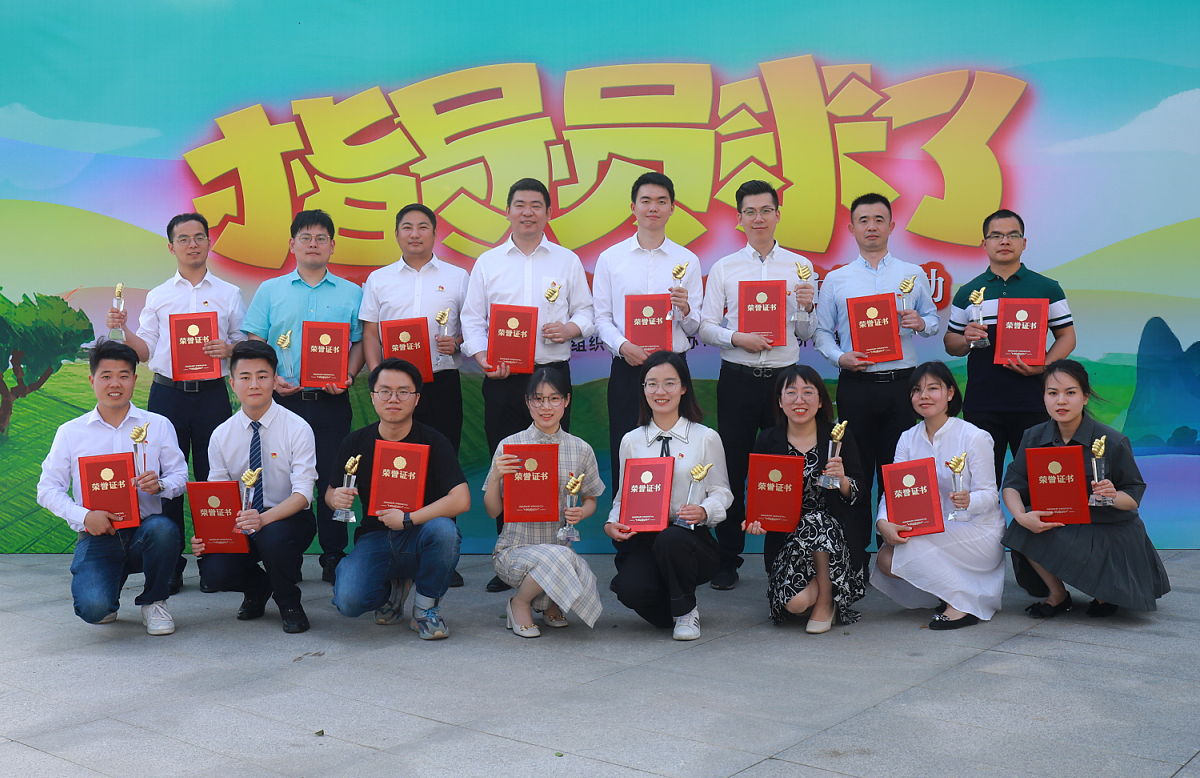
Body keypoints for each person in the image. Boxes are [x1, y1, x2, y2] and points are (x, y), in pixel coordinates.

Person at [460, 178, 595, 592]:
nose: (528, 212)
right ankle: (510, 557)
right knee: (508, 467)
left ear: (548, 213)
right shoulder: (488, 262)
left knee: (554, 467)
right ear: (507, 211)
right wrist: (482, 358)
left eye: (536, 205)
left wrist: (569, 328)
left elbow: (587, 313)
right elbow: (472, 319)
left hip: (551, 375)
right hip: (503, 379)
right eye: (520, 204)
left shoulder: (566, 261)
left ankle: (555, 553)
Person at [105, 212, 247, 594]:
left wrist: (229, 349)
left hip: (212, 394)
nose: (192, 244)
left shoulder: (229, 293)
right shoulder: (159, 296)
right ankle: (171, 564)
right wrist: (123, 327)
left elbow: (243, 344)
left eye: (199, 237)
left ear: (209, 242)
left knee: (214, 477)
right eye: (183, 239)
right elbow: (144, 350)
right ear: (171, 247)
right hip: (168, 395)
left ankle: (215, 560)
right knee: (167, 478)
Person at [698, 180, 817, 590]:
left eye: (766, 210)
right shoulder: (725, 268)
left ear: (778, 214)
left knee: (785, 469)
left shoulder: (800, 267)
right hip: (738, 378)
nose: (758, 218)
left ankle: (783, 556)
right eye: (750, 211)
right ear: (739, 218)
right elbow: (706, 326)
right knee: (731, 467)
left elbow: (807, 332)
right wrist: (737, 338)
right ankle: (728, 558)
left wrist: (806, 307)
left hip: (785, 383)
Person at [814, 192, 939, 563]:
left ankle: (897, 557)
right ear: (851, 228)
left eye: (879, 219)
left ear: (891, 226)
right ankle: (855, 557)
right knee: (856, 473)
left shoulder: (912, 273)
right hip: (857, 386)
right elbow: (821, 333)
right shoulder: (837, 279)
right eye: (864, 220)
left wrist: (921, 323)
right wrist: (840, 357)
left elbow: (933, 320)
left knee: (899, 472)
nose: (871, 226)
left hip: (903, 386)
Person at [243, 209, 364, 585]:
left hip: (330, 402)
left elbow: (359, 342)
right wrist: (271, 378)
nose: (313, 244)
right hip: (282, 403)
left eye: (321, 238)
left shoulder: (352, 292)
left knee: (333, 477)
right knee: (281, 479)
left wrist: (348, 375)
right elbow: (255, 341)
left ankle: (333, 555)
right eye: (306, 237)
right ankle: (284, 553)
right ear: (292, 244)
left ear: (332, 245)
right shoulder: (270, 290)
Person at [36, 340, 188, 635]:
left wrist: (160, 485)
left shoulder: (157, 425)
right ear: (92, 380)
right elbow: (47, 489)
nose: (115, 384)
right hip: (98, 534)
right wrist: (84, 516)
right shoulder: (71, 432)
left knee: (164, 529)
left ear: (135, 379)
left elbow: (180, 476)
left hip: (146, 531)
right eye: (106, 376)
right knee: (94, 609)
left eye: (123, 375)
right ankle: (109, 588)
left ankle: (154, 600)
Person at [1001, 359, 1169, 618]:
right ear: (1044, 397)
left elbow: (1133, 496)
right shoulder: (1033, 437)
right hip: (1065, 523)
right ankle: (1058, 595)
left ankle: (1104, 592)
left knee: (1106, 598)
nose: (1061, 401)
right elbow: (1013, 484)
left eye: (1070, 393)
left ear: (1085, 396)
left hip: (1108, 527)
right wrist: (1022, 517)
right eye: (1052, 393)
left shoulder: (1112, 441)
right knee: (1021, 526)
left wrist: (1112, 495)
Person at [359, 203, 470, 587]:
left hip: (442, 383)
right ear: (397, 234)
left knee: (442, 466)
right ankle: (393, 551)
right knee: (394, 465)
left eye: (423, 227)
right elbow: (370, 333)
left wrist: (457, 342)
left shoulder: (457, 277)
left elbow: (474, 328)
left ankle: (443, 555)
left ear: (435, 233)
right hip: (395, 391)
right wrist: (379, 379)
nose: (415, 234)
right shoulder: (379, 279)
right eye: (407, 227)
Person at [327, 358, 468, 639]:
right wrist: (336, 498)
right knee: (349, 603)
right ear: (373, 397)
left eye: (403, 392)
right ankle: (393, 590)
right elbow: (331, 492)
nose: (394, 399)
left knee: (445, 531)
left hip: (419, 535)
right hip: (375, 537)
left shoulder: (434, 441)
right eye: (385, 391)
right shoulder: (355, 442)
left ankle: (426, 609)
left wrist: (408, 518)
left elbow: (461, 499)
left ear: (416, 399)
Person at [191, 341, 319, 633]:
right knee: (212, 571)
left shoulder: (297, 428)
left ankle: (289, 603)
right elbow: (218, 496)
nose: (254, 384)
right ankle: (258, 588)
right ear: (232, 383)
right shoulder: (221, 435)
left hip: (288, 517)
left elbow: (303, 494)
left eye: (262, 376)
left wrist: (262, 519)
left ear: (275, 380)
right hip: (240, 520)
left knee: (273, 537)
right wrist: (208, 536)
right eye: (245, 377)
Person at [607, 351, 733, 640]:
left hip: (690, 538)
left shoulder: (705, 437)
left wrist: (705, 511)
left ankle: (687, 611)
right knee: (630, 590)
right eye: (651, 384)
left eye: (669, 383)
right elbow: (624, 497)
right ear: (643, 389)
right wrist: (612, 522)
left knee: (672, 538)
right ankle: (672, 606)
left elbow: (722, 492)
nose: (660, 391)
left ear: (684, 387)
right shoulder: (631, 441)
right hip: (646, 537)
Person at [945, 209, 1076, 484]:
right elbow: (951, 344)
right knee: (982, 484)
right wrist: (966, 338)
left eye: (1012, 235)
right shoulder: (968, 292)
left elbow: (1067, 337)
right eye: (996, 236)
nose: (1004, 241)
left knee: (1038, 482)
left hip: (1033, 401)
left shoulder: (1047, 288)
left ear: (1023, 243)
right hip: (982, 403)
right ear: (984, 243)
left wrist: (1043, 367)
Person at [871, 362, 1006, 630]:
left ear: (950, 393)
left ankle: (962, 604)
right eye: (916, 390)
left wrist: (969, 500)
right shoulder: (907, 438)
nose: (924, 396)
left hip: (976, 529)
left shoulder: (974, 437)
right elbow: (894, 491)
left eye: (933, 388)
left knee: (910, 544)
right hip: (932, 527)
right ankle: (948, 593)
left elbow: (991, 495)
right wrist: (882, 522)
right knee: (885, 558)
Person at [593, 172, 703, 490]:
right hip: (627, 367)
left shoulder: (687, 260)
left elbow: (695, 325)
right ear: (633, 207)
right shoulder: (610, 259)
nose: (653, 208)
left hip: (674, 369)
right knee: (626, 446)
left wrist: (685, 309)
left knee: (678, 449)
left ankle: (677, 515)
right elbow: (601, 318)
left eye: (661, 201)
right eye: (646, 201)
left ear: (672, 208)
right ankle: (625, 517)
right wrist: (623, 346)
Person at [483, 368, 606, 637]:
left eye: (554, 398)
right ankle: (520, 603)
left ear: (567, 400)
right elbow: (493, 511)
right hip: (516, 548)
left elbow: (590, 499)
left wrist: (581, 512)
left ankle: (549, 600)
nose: (545, 407)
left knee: (561, 555)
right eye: (538, 399)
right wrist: (495, 478)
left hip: (559, 546)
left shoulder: (581, 449)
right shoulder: (510, 446)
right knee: (560, 557)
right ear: (527, 402)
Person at [743, 365, 866, 632]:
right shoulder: (768, 440)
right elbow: (760, 493)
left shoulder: (837, 437)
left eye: (808, 392)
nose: (799, 400)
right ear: (780, 401)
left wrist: (843, 479)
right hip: (787, 540)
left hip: (833, 540)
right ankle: (819, 590)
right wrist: (755, 519)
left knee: (816, 519)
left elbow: (857, 493)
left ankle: (825, 601)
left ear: (820, 401)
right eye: (791, 393)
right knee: (796, 604)